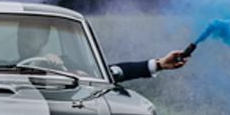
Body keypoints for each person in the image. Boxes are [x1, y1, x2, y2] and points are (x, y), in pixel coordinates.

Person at [16, 23, 189, 78]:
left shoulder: (67, 67)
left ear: (45, 38)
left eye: (32, 35)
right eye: (22, 35)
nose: (24, 40)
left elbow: (107, 74)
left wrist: (158, 64)